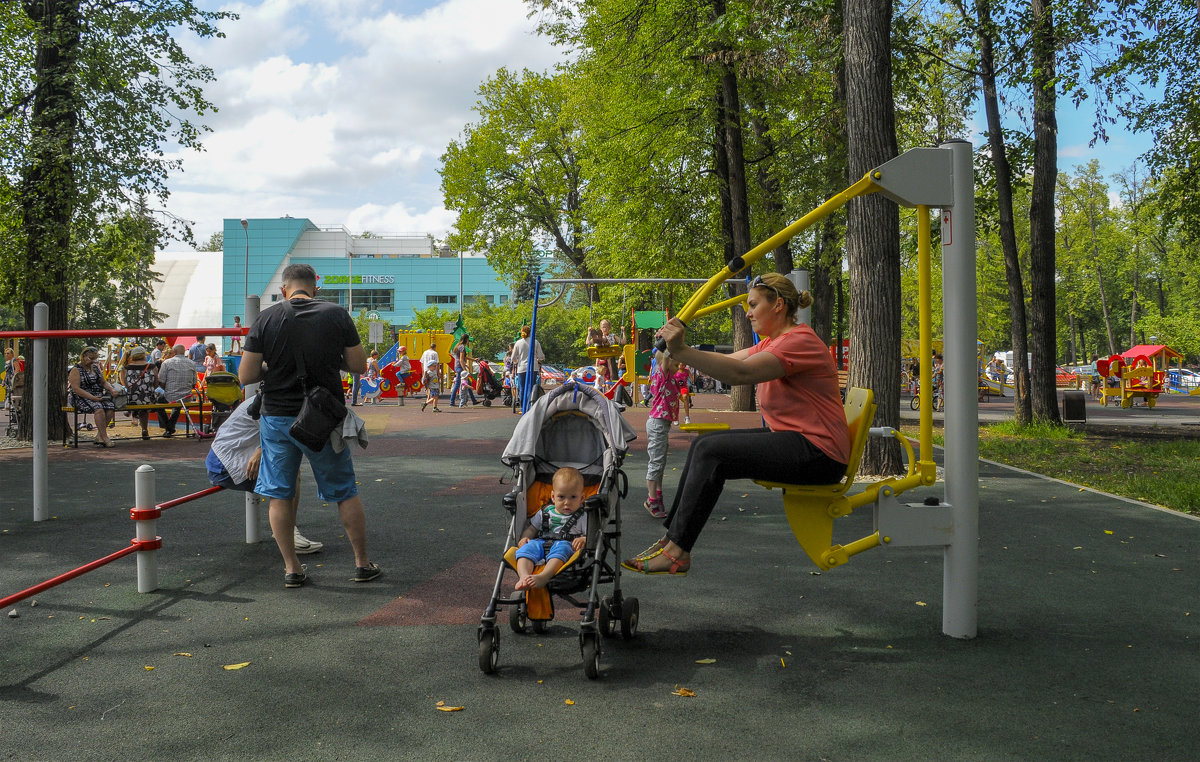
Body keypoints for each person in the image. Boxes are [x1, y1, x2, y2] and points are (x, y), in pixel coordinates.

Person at [623, 273, 849, 576]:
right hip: (800, 442)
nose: (748, 312)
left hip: (819, 454)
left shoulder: (799, 341)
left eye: (754, 304)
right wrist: (680, 349)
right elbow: (731, 362)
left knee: (712, 451)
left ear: (778, 304)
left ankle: (677, 551)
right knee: (704, 444)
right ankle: (671, 541)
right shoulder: (776, 342)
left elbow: (739, 376)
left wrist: (682, 350)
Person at [239, 263, 381, 589]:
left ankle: (292, 569)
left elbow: (246, 376)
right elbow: (358, 365)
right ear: (315, 288)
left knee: (279, 494)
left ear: (284, 289)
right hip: (323, 416)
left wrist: (271, 366)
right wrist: (331, 360)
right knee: (345, 491)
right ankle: (362, 563)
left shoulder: (267, 318)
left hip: (276, 418)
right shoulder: (336, 314)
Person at [205, 394, 324, 557]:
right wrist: (261, 450)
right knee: (289, 475)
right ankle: (288, 532)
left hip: (226, 459)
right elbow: (280, 436)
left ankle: (287, 529)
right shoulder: (272, 404)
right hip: (224, 465)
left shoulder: (273, 399)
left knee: (289, 471)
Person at [513, 467, 588, 591]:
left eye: (573, 497)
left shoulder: (583, 516)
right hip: (541, 541)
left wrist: (584, 539)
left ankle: (544, 576)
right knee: (528, 547)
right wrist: (525, 537)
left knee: (563, 548)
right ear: (553, 496)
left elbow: (591, 534)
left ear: (582, 498)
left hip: (566, 544)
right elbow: (532, 529)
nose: (567, 502)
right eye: (561, 497)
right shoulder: (545, 512)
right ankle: (523, 576)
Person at [643, 350, 686, 519]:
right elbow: (667, 360)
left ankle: (658, 494)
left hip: (663, 424)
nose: (677, 368)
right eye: (674, 365)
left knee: (661, 461)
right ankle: (651, 499)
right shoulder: (662, 376)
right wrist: (668, 344)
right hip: (657, 423)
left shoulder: (672, 379)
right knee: (656, 462)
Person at [68, 346, 119, 447]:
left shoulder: (95, 368)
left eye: (95, 359)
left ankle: (100, 435)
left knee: (110, 407)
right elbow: (76, 389)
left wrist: (111, 389)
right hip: (81, 397)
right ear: (84, 356)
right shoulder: (76, 369)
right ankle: (105, 437)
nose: (93, 361)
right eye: (91, 358)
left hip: (97, 395)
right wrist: (92, 397)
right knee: (98, 408)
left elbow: (103, 382)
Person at [158, 344, 198, 438]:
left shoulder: (167, 363)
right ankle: (170, 427)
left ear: (174, 352)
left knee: (158, 402)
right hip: (186, 396)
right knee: (179, 404)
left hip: (170, 395)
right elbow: (194, 383)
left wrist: (168, 389)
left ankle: (168, 426)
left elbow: (161, 381)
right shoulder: (192, 363)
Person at [120, 346, 158, 440]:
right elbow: (156, 383)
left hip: (131, 398)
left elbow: (124, 384)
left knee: (134, 396)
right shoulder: (152, 367)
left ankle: (130, 413)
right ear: (144, 355)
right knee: (144, 402)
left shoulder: (125, 368)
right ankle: (144, 429)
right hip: (148, 398)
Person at [511, 326, 544, 412]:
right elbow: (541, 356)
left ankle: (523, 407)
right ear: (530, 332)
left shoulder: (518, 343)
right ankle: (531, 406)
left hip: (521, 368)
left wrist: (517, 361)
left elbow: (513, 357)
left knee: (522, 388)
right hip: (533, 367)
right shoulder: (535, 342)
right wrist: (537, 359)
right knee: (531, 387)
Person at [448, 334, 473, 406]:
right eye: (468, 339)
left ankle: (473, 400)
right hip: (460, 367)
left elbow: (462, 357)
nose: (468, 341)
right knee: (457, 384)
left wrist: (473, 359)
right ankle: (452, 402)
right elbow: (462, 359)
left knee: (468, 383)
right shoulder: (462, 347)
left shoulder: (458, 346)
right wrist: (464, 369)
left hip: (458, 366)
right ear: (466, 339)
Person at [420, 342, 442, 412]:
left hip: (426, 371)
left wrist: (423, 371)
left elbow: (422, 362)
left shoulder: (425, 352)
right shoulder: (435, 353)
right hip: (432, 373)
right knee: (434, 394)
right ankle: (427, 402)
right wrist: (438, 372)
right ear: (435, 347)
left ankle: (432, 404)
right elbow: (437, 363)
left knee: (429, 389)